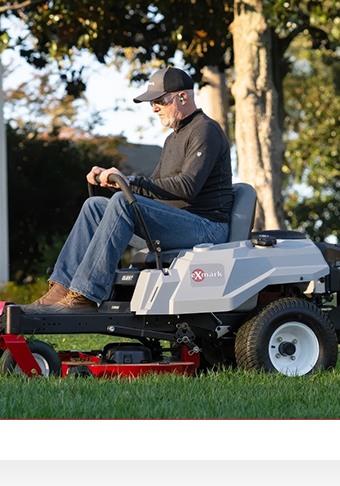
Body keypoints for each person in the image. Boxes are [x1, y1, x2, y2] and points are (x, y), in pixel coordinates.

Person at [22, 67, 234, 314]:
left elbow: (187, 187)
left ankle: (86, 294)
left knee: (123, 202)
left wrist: (130, 181)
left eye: (158, 101)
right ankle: (61, 288)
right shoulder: (172, 139)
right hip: (180, 222)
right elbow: (153, 187)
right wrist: (120, 182)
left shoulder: (206, 130)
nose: (153, 108)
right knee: (95, 206)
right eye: (151, 103)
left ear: (182, 98)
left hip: (207, 228)